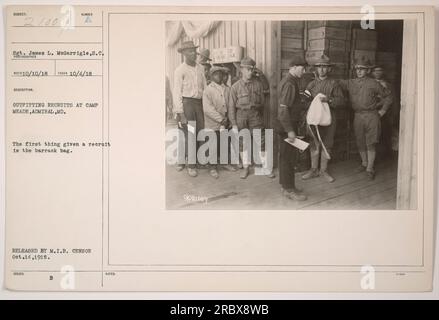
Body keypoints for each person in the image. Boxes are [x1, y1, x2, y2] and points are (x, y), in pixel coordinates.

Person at [339, 58, 393, 180]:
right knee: (360, 141)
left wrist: (383, 110)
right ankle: (364, 163)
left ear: (368, 71)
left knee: (371, 142)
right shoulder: (351, 82)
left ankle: (370, 168)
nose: (359, 71)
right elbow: (337, 83)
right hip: (358, 116)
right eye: (357, 68)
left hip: (371, 116)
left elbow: (389, 96)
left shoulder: (374, 83)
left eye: (362, 69)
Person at [228, 57, 274, 179]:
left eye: (252, 69)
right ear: (241, 70)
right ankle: (246, 167)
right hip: (241, 116)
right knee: (243, 143)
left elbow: (263, 102)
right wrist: (233, 124)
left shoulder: (258, 85)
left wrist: (257, 110)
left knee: (261, 141)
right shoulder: (235, 87)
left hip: (255, 115)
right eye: (247, 69)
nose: (250, 72)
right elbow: (231, 107)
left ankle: (265, 167)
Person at [301, 55, 345, 183]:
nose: (322, 70)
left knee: (327, 143)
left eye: (325, 67)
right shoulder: (311, 84)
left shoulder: (334, 84)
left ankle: (323, 170)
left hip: (329, 118)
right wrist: (313, 104)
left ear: (329, 69)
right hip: (314, 118)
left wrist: (329, 100)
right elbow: (304, 100)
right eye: (319, 67)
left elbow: (341, 101)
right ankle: (313, 169)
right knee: (314, 142)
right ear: (316, 69)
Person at [274, 54, 309, 201]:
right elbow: (283, 110)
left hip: (286, 126)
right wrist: (290, 130)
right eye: (302, 68)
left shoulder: (291, 81)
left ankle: (286, 186)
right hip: (287, 127)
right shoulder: (290, 83)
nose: (304, 71)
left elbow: (291, 105)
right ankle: (289, 189)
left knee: (286, 157)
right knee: (289, 159)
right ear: (294, 68)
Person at [173, 41, 207, 177]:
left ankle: (196, 160)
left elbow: (204, 87)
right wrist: (180, 113)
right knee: (188, 134)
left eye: (194, 50)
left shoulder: (200, 68)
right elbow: (176, 92)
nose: (193, 53)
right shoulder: (180, 70)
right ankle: (190, 165)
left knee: (200, 132)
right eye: (189, 51)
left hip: (199, 104)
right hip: (187, 104)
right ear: (183, 54)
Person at [202, 66, 229, 179]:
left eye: (220, 74)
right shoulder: (208, 90)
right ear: (211, 76)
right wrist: (221, 119)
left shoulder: (227, 88)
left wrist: (227, 118)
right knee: (212, 144)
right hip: (213, 122)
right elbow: (208, 109)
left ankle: (224, 163)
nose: (219, 76)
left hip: (225, 121)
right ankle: (212, 167)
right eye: (216, 74)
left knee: (223, 142)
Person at [371, 65, 397, 157]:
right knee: (373, 135)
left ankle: (386, 155)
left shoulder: (388, 85)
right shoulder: (369, 83)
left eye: (380, 70)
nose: (377, 72)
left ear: (383, 72)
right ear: (372, 72)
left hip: (385, 114)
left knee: (385, 133)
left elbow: (392, 99)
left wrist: (392, 114)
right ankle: (374, 156)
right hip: (372, 112)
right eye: (375, 71)